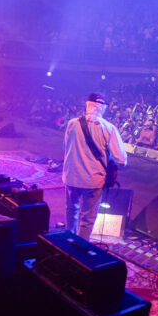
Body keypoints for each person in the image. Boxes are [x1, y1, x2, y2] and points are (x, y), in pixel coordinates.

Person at [63, 92, 128, 241]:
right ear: (102, 108)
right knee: (87, 219)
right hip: (93, 180)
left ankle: (68, 241)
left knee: (71, 210)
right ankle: (80, 250)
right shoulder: (108, 128)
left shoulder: (72, 123)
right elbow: (121, 159)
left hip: (71, 176)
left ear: (87, 105)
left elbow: (66, 148)